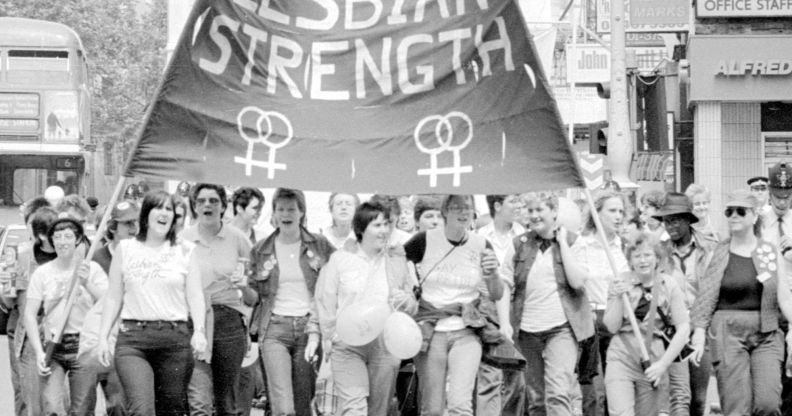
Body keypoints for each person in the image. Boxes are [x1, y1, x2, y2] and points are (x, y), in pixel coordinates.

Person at [97, 190, 208, 416]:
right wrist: (103, 336)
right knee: (142, 409)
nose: (164, 213)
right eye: (158, 208)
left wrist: (199, 330)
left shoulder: (185, 250)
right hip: (133, 340)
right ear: (146, 214)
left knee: (172, 408)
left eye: (169, 209)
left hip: (174, 339)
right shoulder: (126, 249)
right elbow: (113, 296)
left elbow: (195, 295)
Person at [690, 190, 792, 416]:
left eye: (740, 211)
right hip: (728, 332)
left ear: (754, 216)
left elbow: (784, 297)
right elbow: (706, 296)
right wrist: (698, 333)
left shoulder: (769, 250)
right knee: (737, 406)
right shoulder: (719, 252)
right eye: (729, 212)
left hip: (766, 331)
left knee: (768, 402)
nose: (733, 216)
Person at [403, 194, 503, 416]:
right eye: (457, 207)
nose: (463, 212)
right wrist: (408, 291)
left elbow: (497, 293)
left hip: (467, 332)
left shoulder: (481, 244)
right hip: (431, 332)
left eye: (467, 208)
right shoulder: (424, 240)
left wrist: (493, 273)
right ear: (445, 212)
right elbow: (397, 261)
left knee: (460, 404)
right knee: (433, 408)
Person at [315, 201, 417, 415]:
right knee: (354, 408)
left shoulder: (397, 260)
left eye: (386, 224)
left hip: (385, 345)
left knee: (378, 410)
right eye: (377, 225)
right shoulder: (340, 260)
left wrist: (406, 300)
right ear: (361, 229)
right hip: (347, 345)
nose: (384, 230)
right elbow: (325, 298)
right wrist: (329, 334)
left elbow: (412, 304)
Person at [500, 192, 594, 416]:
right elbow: (504, 284)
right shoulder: (519, 244)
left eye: (540, 210)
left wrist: (562, 243)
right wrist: (504, 322)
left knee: (558, 392)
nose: (534, 215)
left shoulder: (573, 241)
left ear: (554, 212)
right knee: (537, 397)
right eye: (530, 210)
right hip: (527, 329)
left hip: (561, 328)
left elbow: (577, 280)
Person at [249, 188, 335, 416]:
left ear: (301, 212)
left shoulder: (320, 244)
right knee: (283, 407)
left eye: (291, 209)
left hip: (310, 329)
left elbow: (340, 275)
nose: (286, 214)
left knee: (302, 405)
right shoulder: (260, 250)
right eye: (280, 209)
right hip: (274, 328)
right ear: (274, 214)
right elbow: (252, 294)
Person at [183, 184, 258, 416]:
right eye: (202, 200)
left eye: (214, 200)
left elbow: (254, 296)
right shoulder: (181, 240)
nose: (208, 205)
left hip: (228, 321)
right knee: (199, 401)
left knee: (226, 401)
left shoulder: (238, 239)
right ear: (194, 207)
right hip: (192, 322)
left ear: (224, 206)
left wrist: (243, 285)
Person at [24, 217, 108, 415]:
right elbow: (29, 314)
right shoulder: (42, 273)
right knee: (51, 405)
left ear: (77, 239)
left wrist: (86, 282)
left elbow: (107, 302)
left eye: (68, 236)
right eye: (58, 237)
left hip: (83, 346)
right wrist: (38, 352)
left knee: (82, 408)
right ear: (52, 241)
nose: (62, 242)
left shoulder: (91, 269)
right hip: (53, 347)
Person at [603, 232, 690, 416]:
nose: (643, 260)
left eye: (647, 255)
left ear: (657, 258)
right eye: (637, 256)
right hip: (621, 357)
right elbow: (611, 326)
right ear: (630, 260)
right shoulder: (620, 282)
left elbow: (683, 328)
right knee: (620, 413)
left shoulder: (668, 284)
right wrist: (619, 297)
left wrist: (663, 365)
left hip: (653, 362)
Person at [572, 190, 630, 416]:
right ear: (596, 213)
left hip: (618, 322)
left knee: (616, 387)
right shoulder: (581, 245)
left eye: (621, 211)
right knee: (594, 392)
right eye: (612, 211)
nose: (618, 216)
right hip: (590, 320)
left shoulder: (624, 247)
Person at [476, 194, 526, 416]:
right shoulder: (478, 236)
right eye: (513, 201)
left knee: (517, 376)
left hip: (518, 306)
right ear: (497, 205)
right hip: (486, 307)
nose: (519, 205)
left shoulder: (525, 235)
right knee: (491, 374)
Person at [91, 201, 139, 416]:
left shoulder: (144, 255)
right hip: (106, 339)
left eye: (137, 222)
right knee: (113, 403)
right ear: (112, 228)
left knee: (130, 404)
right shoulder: (96, 258)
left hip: (134, 339)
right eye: (128, 223)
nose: (134, 228)